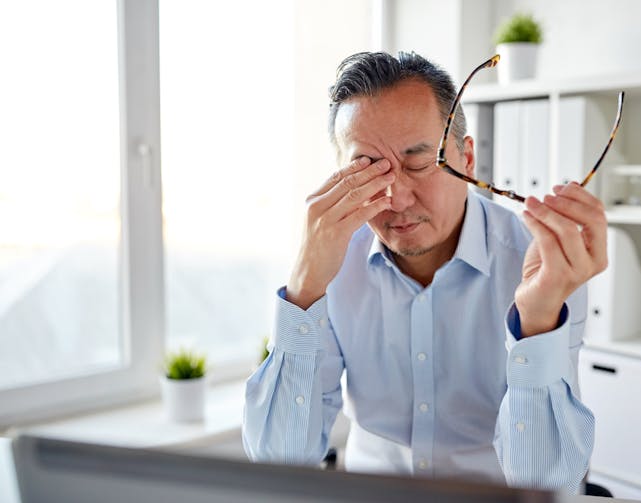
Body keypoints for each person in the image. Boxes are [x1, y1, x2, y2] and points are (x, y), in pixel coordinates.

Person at [243, 51, 607, 494]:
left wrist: (536, 320)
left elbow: (547, 482)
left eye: (418, 162)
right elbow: (278, 463)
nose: (395, 199)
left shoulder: (542, 267)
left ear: (467, 159)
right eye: (366, 170)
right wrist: (303, 291)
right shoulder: (330, 262)